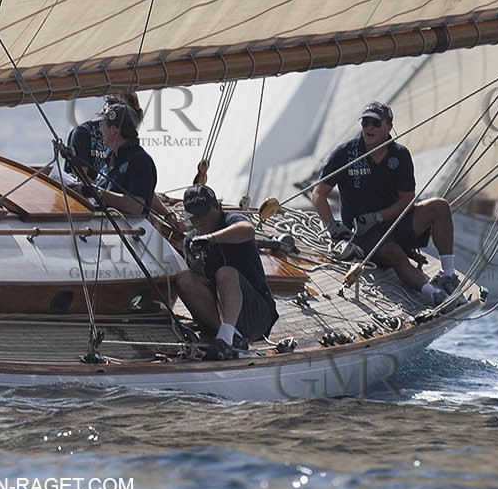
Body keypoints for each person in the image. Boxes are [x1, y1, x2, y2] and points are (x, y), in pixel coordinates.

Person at [313, 101, 460, 303]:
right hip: (363, 232)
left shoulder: (399, 155)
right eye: (365, 123)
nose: (369, 128)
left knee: (439, 206)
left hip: (394, 222)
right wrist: (331, 225)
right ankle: (434, 295)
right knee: (395, 254)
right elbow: (319, 193)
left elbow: (407, 199)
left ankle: (448, 275)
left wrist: (378, 217)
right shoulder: (345, 153)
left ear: (388, 126)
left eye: (375, 123)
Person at [173, 185, 278, 359]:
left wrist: (212, 238)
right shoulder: (191, 240)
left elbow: (248, 230)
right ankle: (231, 337)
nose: (198, 220)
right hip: (219, 314)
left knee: (225, 273)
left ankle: (227, 337)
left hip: (255, 315)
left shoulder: (232, 220)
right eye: (193, 215)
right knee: (185, 280)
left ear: (217, 207)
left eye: (203, 213)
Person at [66, 98, 156, 218]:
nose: (100, 129)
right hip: (106, 228)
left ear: (114, 130)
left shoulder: (139, 161)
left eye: (103, 125)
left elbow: (136, 207)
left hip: (126, 231)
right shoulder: (113, 158)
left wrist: (96, 192)